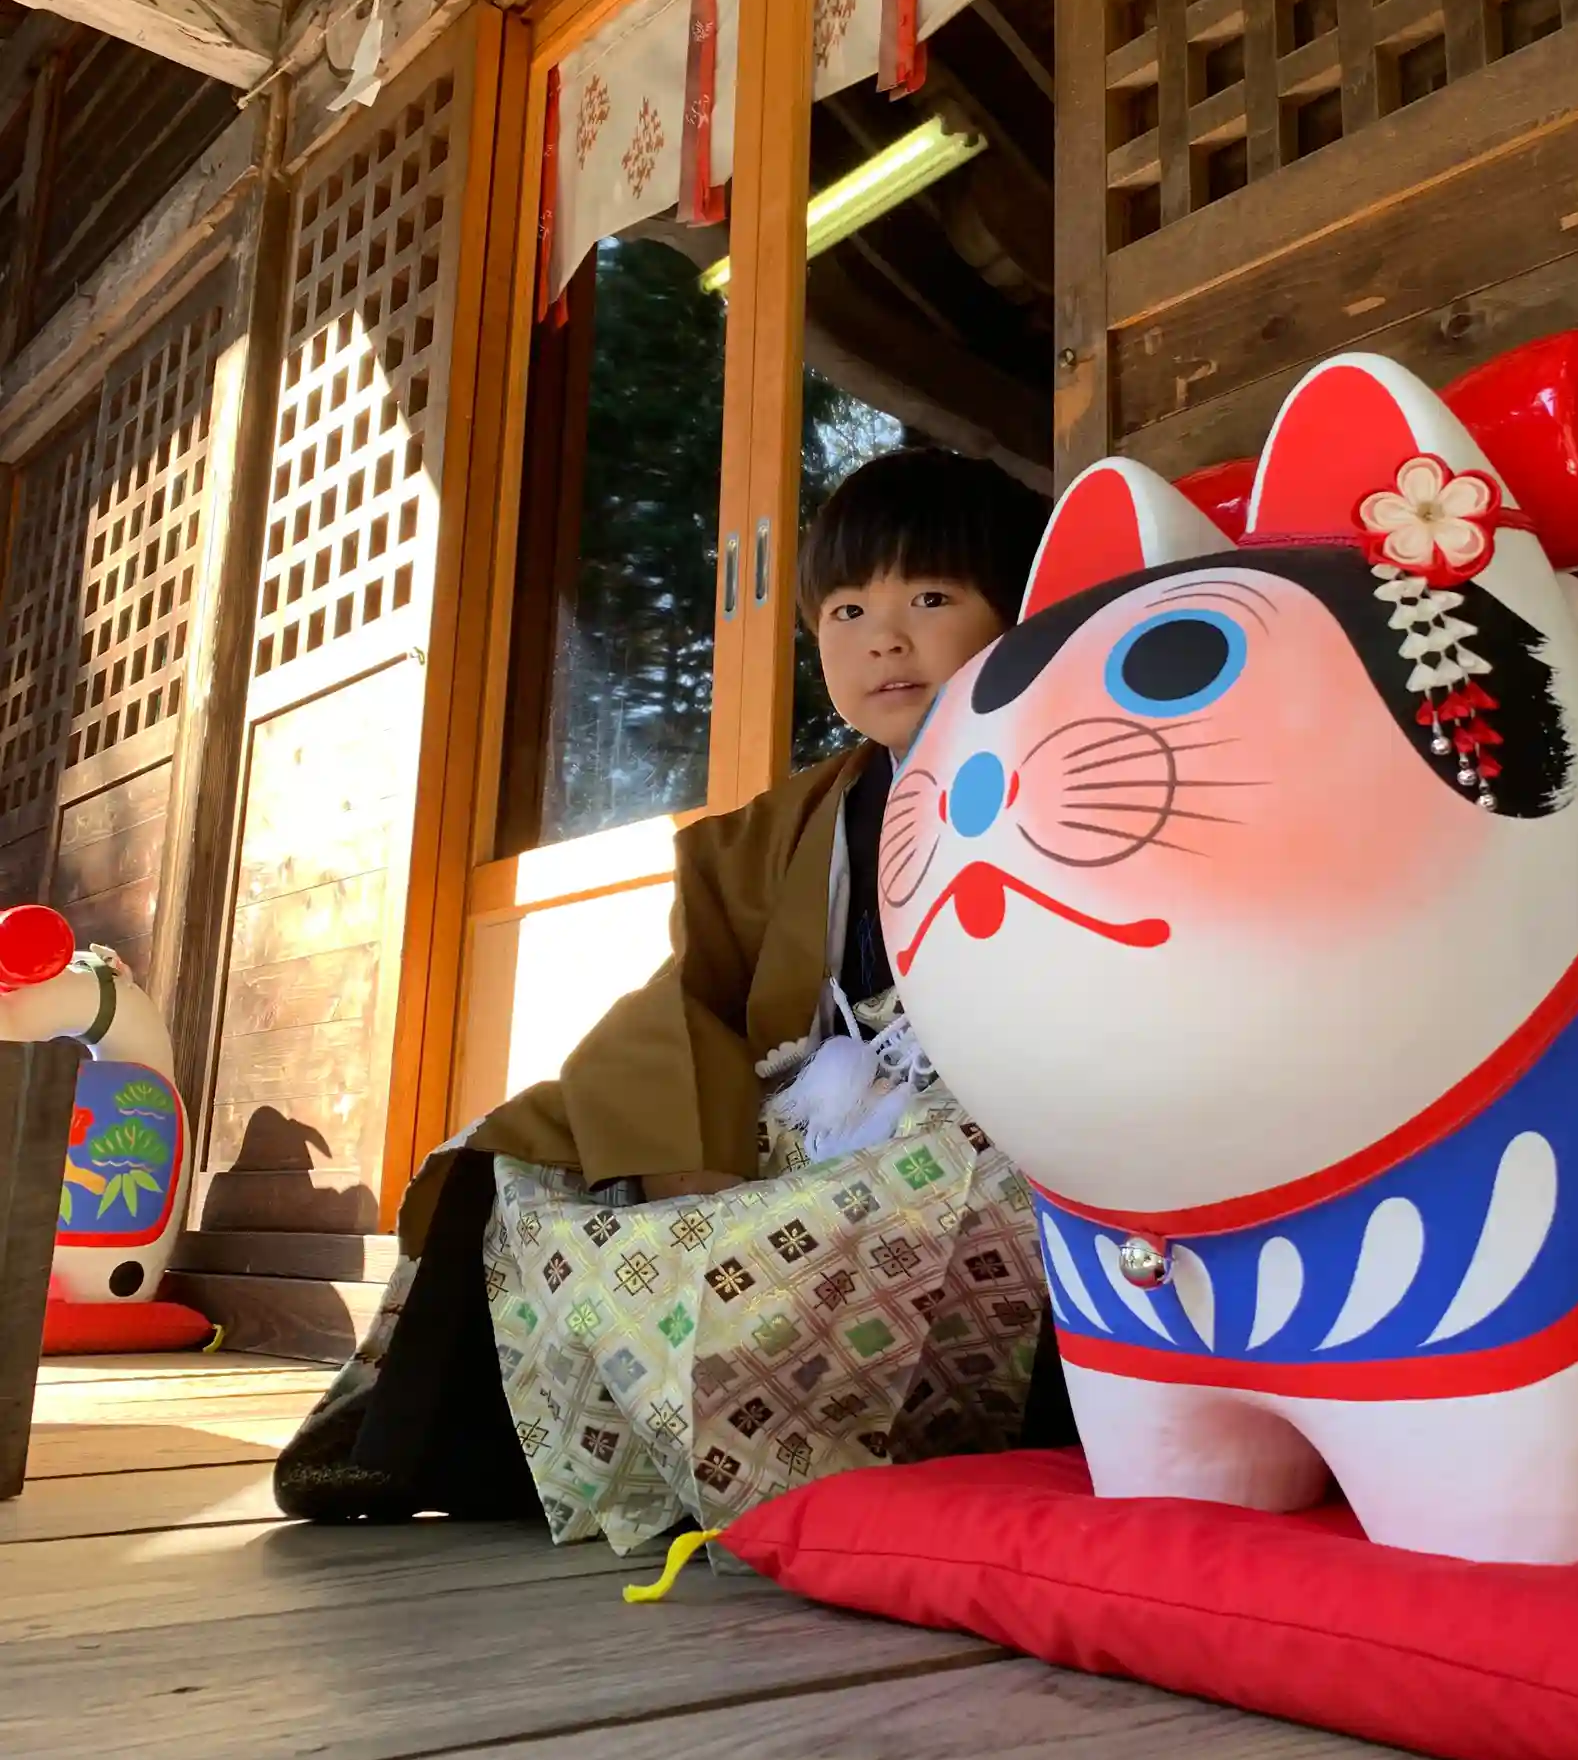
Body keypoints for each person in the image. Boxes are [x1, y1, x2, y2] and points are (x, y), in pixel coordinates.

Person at [275, 445, 1075, 1525]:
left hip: (976, 1105)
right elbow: (690, 999)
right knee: (518, 1166)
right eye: (846, 611)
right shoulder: (776, 830)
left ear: (1019, 610)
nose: (883, 639)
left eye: (930, 599)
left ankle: (804, 1462)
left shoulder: (1075, 770)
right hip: (798, 1111)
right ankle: (448, 1451)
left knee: (938, 1184)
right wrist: (685, 1154)